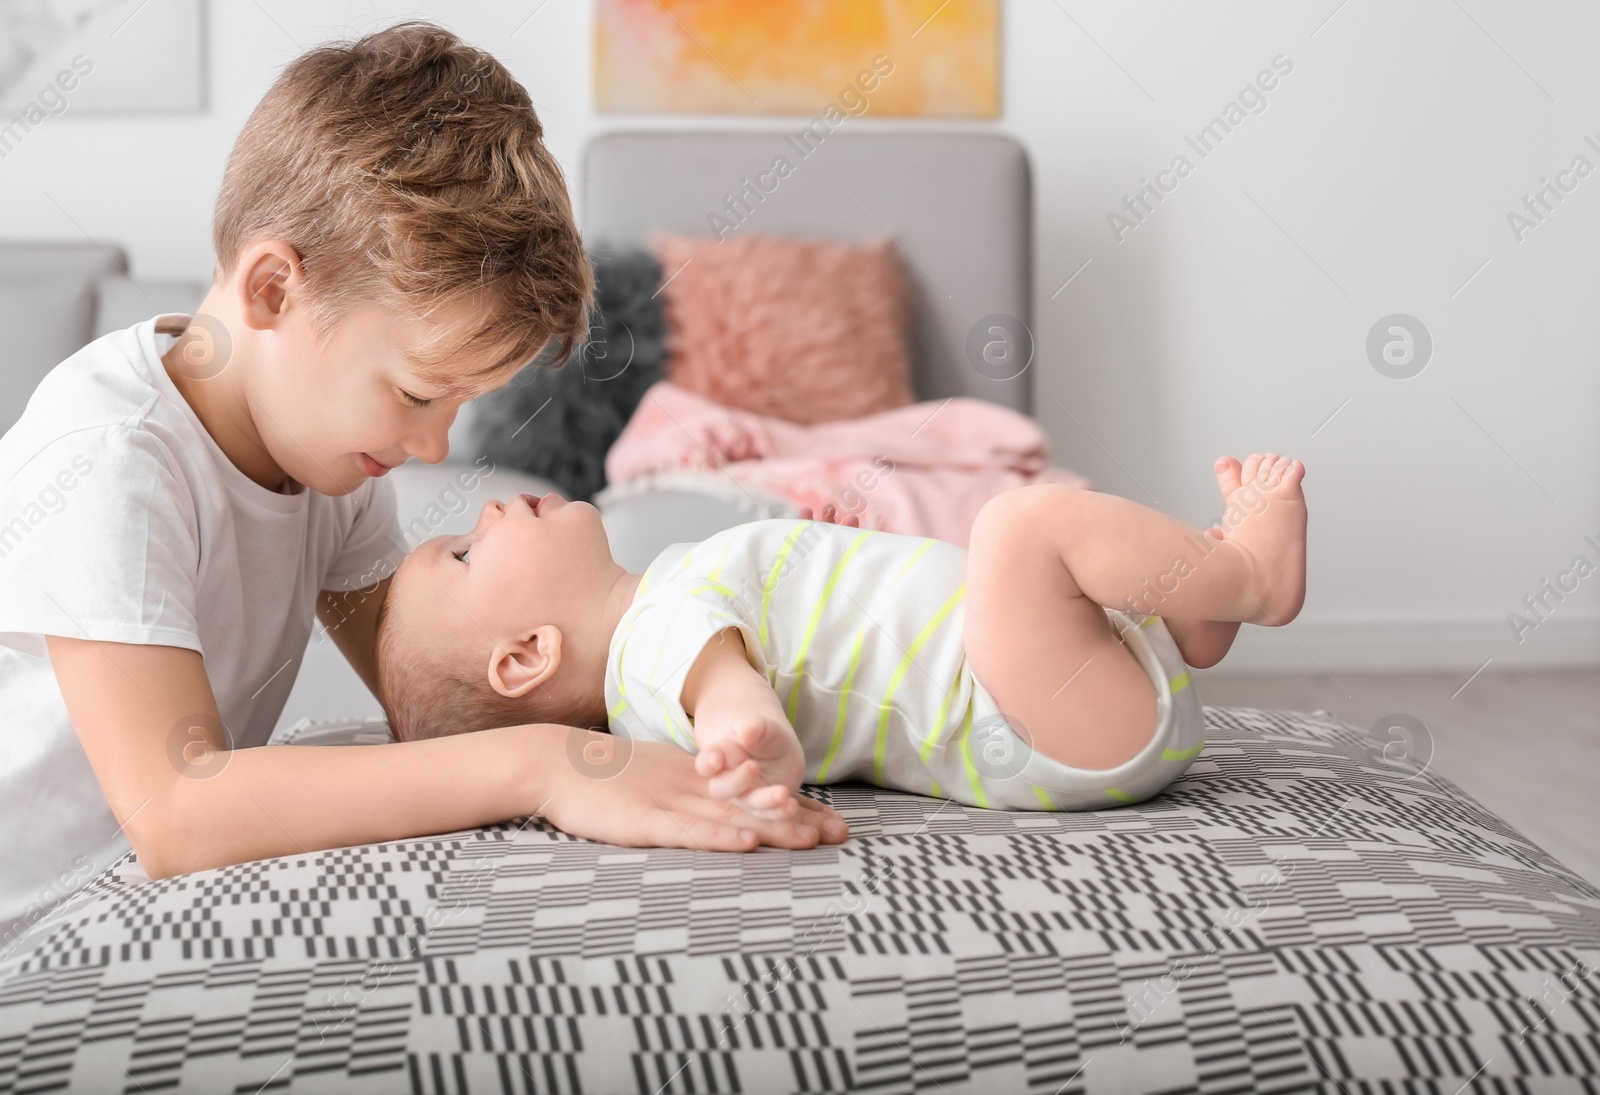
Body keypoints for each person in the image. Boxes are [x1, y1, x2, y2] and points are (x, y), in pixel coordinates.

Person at [0, 22, 846, 950]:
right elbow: (175, 807)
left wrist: (725, 693)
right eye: (415, 391)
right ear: (275, 291)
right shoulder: (114, 454)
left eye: (461, 403)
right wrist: (547, 766)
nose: (436, 443)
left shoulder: (331, 462)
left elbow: (445, 690)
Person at [375, 454, 1308, 815]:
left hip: (1069, 703)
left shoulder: (664, 599)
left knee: (1027, 555)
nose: (487, 508)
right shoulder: (656, 640)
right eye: (463, 554)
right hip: (1039, 720)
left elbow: (782, 630)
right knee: (1021, 527)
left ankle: (1192, 612)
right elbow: (725, 691)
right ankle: (1250, 578)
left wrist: (823, 558)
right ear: (528, 654)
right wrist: (749, 737)